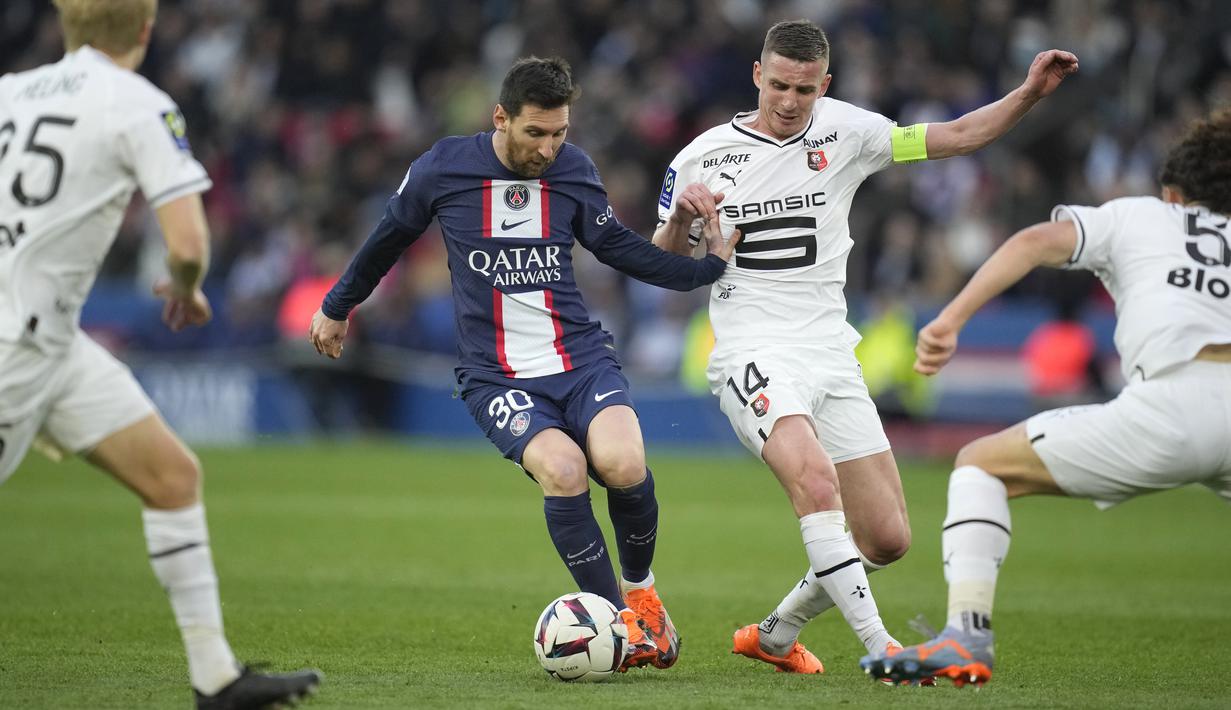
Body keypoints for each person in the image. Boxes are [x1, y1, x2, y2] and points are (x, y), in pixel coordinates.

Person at [652, 19, 1077, 673]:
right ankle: (887, 650)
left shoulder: (847, 132)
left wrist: (1028, 93)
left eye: (803, 89)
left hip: (830, 352)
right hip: (751, 350)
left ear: (824, 84)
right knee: (815, 483)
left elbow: (957, 136)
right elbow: (659, 269)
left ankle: (774, 633)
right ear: (756, 76)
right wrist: (681, 219)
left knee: (886, 537)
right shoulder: (700, 157)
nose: (789, 101)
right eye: (778, 86)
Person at [309, 56, 739, 672]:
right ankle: (616, 622)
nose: (548, 147)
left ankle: (642, 597)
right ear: (500, 118)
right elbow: (389, 237)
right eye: (535, 132)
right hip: (496, 376)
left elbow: (616, 247)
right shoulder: (443, 167)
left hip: (580, 358)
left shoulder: (575, 171)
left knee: (623, 462)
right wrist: (338, 305)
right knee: (564, 470)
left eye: (559, 133)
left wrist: (707, 268)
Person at [0, 1, 321, 708]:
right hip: (14, 348)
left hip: (53, 343)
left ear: (67, 24)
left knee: (173, 476)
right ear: (145, 30)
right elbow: (187, 243)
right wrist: (187, 289)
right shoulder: (140, 103)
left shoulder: (10, 92)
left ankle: (216, 679)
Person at [861, 110, 1231, 686]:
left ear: (1174, 194)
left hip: (1173, 404)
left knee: (981, 465)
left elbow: (1035, 241)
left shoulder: (1144, 216)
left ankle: (966, 634)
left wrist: (950, 320)